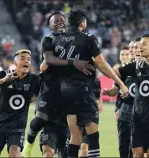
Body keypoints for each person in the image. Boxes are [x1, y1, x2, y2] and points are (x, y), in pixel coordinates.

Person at [42, 8, 128, 157]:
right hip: (83, 91)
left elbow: (46, 65)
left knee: (75, 137)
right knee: (92, 134)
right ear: (83, 23)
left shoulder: (56, 39)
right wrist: (120, 83)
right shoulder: (88, 38)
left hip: (64, 93)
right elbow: (101, 63)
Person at [22, 12, 95, 158]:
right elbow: (48, 60)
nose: (60, 22)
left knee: (71, 126)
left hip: (68, 89)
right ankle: (28, 146)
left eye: (62, 20)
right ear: (49, 25)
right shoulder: (48, 39)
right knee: (41, 117)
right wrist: (73, 62)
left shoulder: (72, 40)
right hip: (50, 86)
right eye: (56, 21)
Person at [0, 49, 40, 157]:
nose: (26, 61)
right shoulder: (4, 74)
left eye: (28, 59)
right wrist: (4, 80)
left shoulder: (34, 79)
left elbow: (42, 95)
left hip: (18, 127)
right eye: (22, 58)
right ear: (15, 62)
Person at [103, 47, 134, 158]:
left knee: (136, 146)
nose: (124, 56)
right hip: (123, 110)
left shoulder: (136, 69)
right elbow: (116, 91)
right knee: (124, 145)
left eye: (127, 54)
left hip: (138, 110)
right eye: (122, 54)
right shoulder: (118, 69)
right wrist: (118, 109)